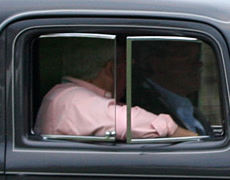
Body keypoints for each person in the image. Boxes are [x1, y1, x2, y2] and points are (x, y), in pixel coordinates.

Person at [35, 42, 181, 139]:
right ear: (112, 68)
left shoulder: (70, 94)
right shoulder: (73, 98)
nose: (132, 72)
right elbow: (127, 121)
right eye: (128, 64)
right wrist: (182, 133)